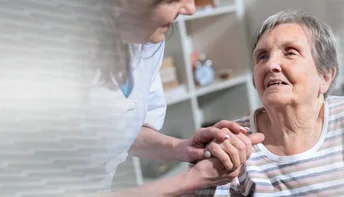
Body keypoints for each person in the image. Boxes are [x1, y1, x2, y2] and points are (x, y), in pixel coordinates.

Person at [190, 10, 344, 196]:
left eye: (290, 52)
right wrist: (204, 169)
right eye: (262, 56)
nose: (270, 64)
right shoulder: (234, 142)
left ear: (325, 77)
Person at [86, 0, 266, 196]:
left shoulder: (146, 40)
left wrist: (181, 148)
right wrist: (190, 180)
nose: (190, 9)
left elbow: (121, 128)